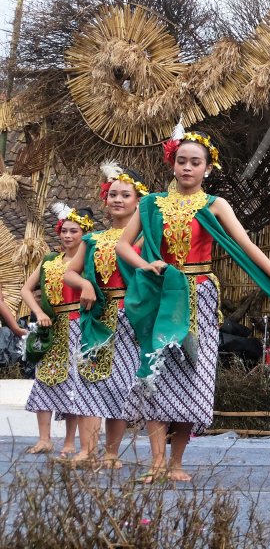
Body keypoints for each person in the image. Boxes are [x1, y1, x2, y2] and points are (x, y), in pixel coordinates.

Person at [117, 123, 270, 482]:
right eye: (182, 161)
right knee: (158, 374)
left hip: (199, 296)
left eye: (195, 162)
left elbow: (247, 247)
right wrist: (148, 265)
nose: (188, 168)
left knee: (191, 377)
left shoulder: (215, 205)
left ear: (208, 168)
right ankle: (156, 464)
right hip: (162, 296)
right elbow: (123, 247)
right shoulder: (150, 204)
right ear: (172, 163)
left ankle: (175, 465)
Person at [62, 162, 148, 467]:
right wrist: (85, 283)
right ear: (105, 199)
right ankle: (87, 450)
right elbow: (68, 274)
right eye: (113, 194)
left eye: (126, 195)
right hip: (97, 317)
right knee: (90, 380)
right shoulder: (92, 240)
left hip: (131, 317)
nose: (118, 200)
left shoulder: (144, 239)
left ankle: (111, 452)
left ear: (138, 201)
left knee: (121, 384)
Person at [22, 203, 93, 456]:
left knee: (75, 382)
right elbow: (26, 290)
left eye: (73, 231)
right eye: (64, 230)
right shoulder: (50, 260)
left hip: (78, 327)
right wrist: (39, 312)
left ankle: (69, 442)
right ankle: (44, 439)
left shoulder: (88, 262)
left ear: (83, 234)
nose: (67, 235)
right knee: (44, 379)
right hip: (51, 327)